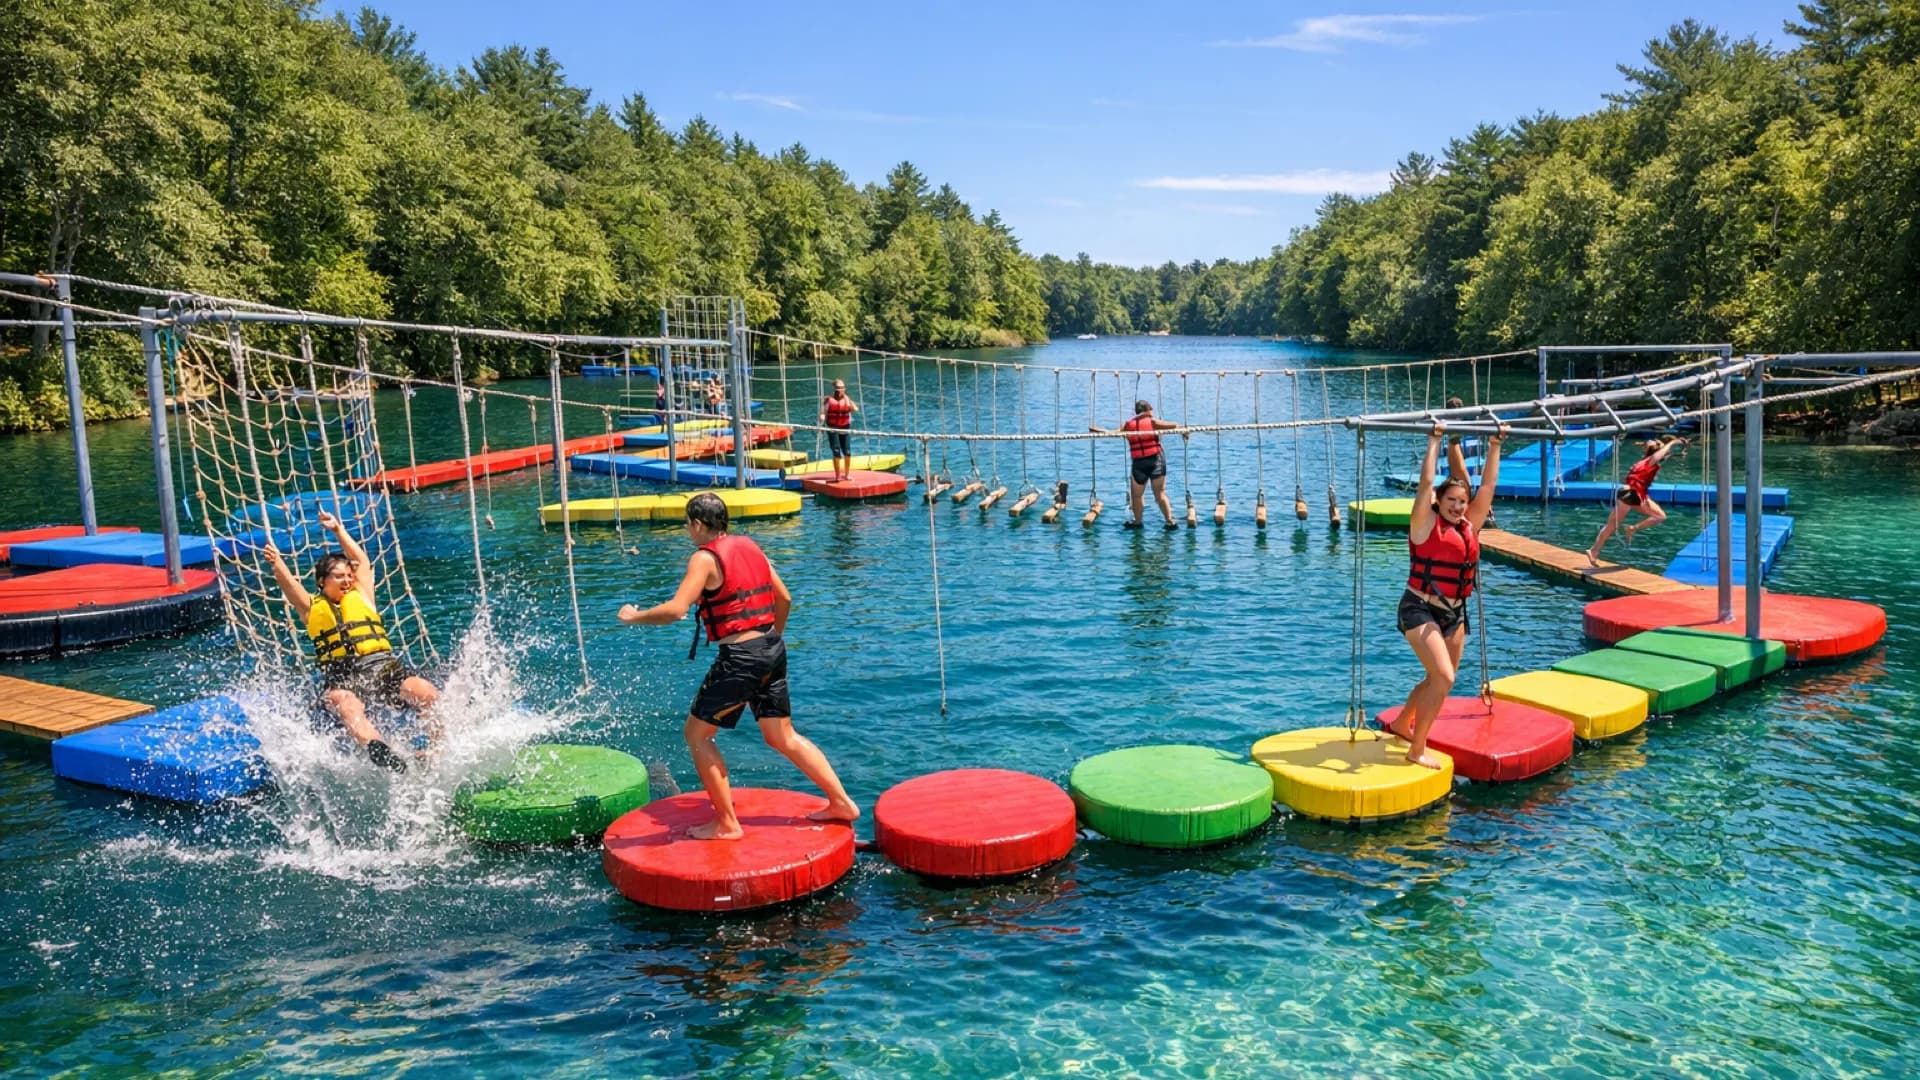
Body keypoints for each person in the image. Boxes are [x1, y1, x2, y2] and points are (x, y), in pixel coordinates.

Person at [617, 493, 859, 840]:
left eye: (688, 524)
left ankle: (728, 824)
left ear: (698, 524)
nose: (688, 531)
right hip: (772, 648)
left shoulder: (703, 558)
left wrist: (634, 616)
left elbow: (675, 610)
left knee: (697, 736)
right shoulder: (750, 546)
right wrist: (770, 640)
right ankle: (841, 802)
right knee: (782, 736)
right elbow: (784, 597)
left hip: (741, 659)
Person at [264, 511, 440, 773]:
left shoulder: (362, 594)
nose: (347, 580)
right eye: (339, 576)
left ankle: (436, 750)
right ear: (322, 582)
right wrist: (277, 562)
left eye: (348, 575)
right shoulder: (311, 608)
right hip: (342, 676)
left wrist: (338, 530)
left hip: (382, 667)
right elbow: (288, 585)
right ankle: (380, 749)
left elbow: (362, 561)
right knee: (346, 705)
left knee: (426, 693)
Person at [1389, 423, 1507, 769]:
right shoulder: (1424, 524)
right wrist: (1434, 441)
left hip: (1455, 614)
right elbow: (1426, 483)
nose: (1458, 507)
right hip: (1418, 607)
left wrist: (1496, 444)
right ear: (1438, 502)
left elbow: (1487, 485)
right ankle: (1416, 748)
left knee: (1437, 680)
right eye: (1451, 501)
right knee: (1444, 676)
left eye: (1462, 502)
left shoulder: (1470, 525)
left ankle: (1401, 723)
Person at [1585, 435, 1687, 567]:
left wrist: (1680, 447)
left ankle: (1595, 550)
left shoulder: (1644, 461)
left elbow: (1665, 455)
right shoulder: (1651, 460)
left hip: (1628, 492)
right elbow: (1660, 455)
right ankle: (1630, 530)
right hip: (1633, 493)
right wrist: (1673, 442)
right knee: (1659, 516)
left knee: (1613, 525)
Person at [1090, 399, 1184, 530]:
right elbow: (1174, 425)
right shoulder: (1152, 421)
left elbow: (1112, 433)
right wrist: (1184, 431)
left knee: (1137, 496)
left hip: (1139, 464)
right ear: (1148, 410)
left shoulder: (1129, 425)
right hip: (1156, 460)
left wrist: (1098, 430)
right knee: (1160, 494)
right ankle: (1169, 521)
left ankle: (1138, 522)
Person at [817, 379, 859, 482]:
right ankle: (837, 476)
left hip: (845, 427)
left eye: (842, 388)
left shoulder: (847, 399)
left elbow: (855, 409)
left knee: (847, 452)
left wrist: (848, 399)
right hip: (832, 428)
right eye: (838, 388)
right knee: (836, 451)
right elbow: (822, 412)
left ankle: (847, 474)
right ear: (834, 389)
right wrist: (822, 417)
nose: (840, 390)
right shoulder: (828, 400)